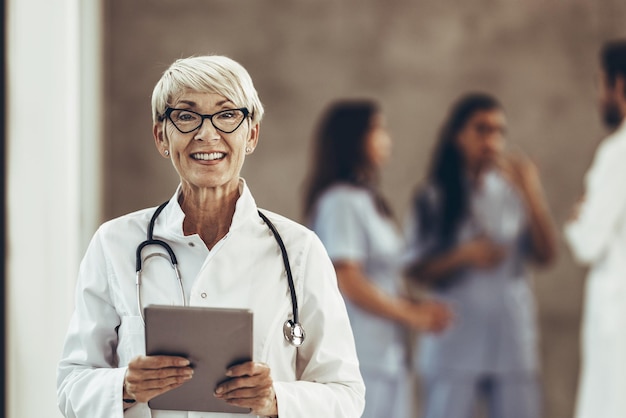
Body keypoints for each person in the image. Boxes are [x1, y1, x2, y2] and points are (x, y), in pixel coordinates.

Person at [56, 55, 365, 418]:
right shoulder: (114, 244)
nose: (207, 133)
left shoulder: (300, 251)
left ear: (251, 134)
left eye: (227, 115)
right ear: (161, 136)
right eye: (186, 116)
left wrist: (275, 400)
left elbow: (346, 396)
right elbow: (71, 386)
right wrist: (124, 387)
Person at [404, 93, 557, 418]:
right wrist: (463, 256)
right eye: (482, 130)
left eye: (499, 132)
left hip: (511, 339)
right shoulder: (433, 196)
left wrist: (531, 189)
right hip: (455, 341)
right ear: (458, 135)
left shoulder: (513, 193)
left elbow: (547, 254)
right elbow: (415, 269)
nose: (492, 141)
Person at [303, 99, 452, 418]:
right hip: (360, 352)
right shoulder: (341, 200)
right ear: (353, 139)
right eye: (378, 129)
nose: (388, 139)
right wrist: (412, 315)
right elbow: (348, 279)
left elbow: (383, 276)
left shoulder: (366, 199)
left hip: (385, 351)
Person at [564, 40, 626, 418]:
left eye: (602, 84)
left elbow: (588, 242)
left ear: (619, 85)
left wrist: (577, 219)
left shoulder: (618, 153)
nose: (600, 95)